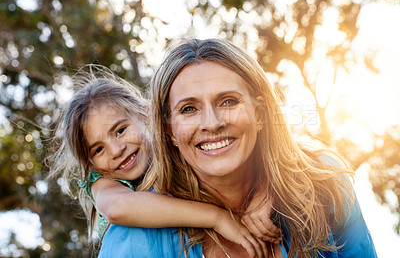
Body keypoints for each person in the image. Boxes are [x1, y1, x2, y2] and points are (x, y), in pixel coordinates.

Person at [99, 38, 377, 258]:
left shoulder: (324, 183)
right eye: (189, 109)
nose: (212, 123)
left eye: (229, 101)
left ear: (260, 114)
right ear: (169, 130)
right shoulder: (133, 241)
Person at [46, 65, 278, 257]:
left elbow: (271, 159)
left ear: (147, 114)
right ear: (91, 165)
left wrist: (264, 194)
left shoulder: (181, 145)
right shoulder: (103, 184)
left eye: (120, 130)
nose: (116, 150)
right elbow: (118, 208)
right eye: (97, 150)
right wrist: (217, 218)